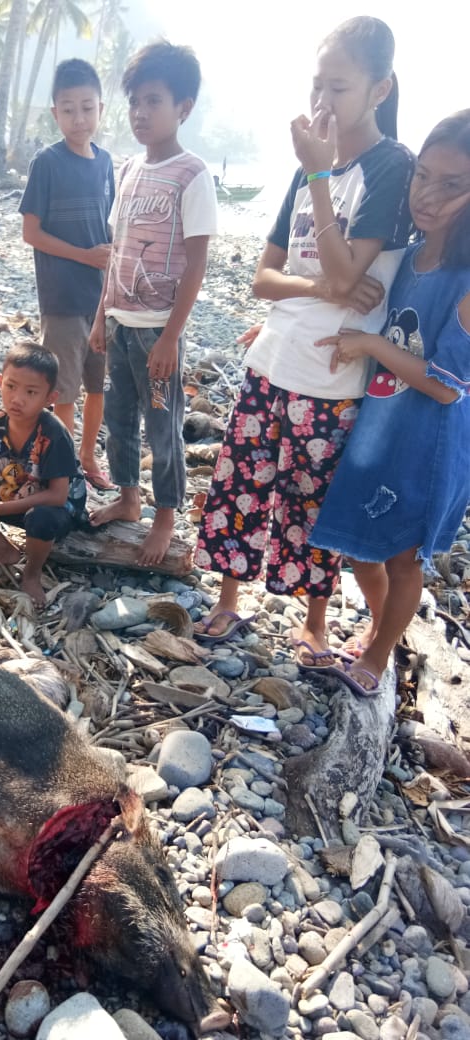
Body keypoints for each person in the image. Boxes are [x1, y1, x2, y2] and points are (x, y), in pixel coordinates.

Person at [193, 16, 414, 673]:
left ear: (381, 90)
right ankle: (230, 599)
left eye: (338, 88)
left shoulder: (389, 167)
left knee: (306, 505)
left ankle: (314, 622)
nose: (322, 103)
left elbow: (354, 278)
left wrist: (319, 179)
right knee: (238, 484)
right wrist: (320, 283)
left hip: (332, 376)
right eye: (317, 85)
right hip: (273, 360)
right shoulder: (311, 162)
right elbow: (265, 279)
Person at [308, 110, 470, 696]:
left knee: (404, 559)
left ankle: (377, 657)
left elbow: (449, 383)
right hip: (380, 423)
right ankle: (384, 632)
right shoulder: (408, 255)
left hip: (429, 439)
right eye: (422, 176)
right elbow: (353, 299)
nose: (428, 195)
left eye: (452, 185)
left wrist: (373, 344)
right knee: (360, 545)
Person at [88, 41, 218, 566]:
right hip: (120, 324)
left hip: (157, 329)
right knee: (119, 418)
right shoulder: (129, 171)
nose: (141, 113)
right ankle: (127, 497)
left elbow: (196, 264)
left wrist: (170, 336)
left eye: (155, 101)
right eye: (135, 102)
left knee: (162, 425)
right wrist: (101, 318)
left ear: (183, 107)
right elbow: (116, 252)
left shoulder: (192, 174)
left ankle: (165, 515)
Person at [19, 58, 116, 491]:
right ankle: (61, 465)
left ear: (100, 109)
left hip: (103, 299)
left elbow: (108, 225)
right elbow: (31, 232)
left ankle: (87, 457)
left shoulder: (106, 162)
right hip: (61, 298)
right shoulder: (48, 162)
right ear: (55, 112)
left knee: (98, 385)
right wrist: (84, 255)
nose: (79, 118)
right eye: (69, 109)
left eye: (87, 108)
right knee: (64, 391)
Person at [0, 342, 87, 607]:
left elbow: (57, 496)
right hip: (16, 493)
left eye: (31, 392)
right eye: (11, 386)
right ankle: (3, 549)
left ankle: (32, 574)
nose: (17, 398)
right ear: (0, 381)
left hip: (58, 509)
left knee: (41, 519)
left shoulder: (53, 433)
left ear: (50, 398)